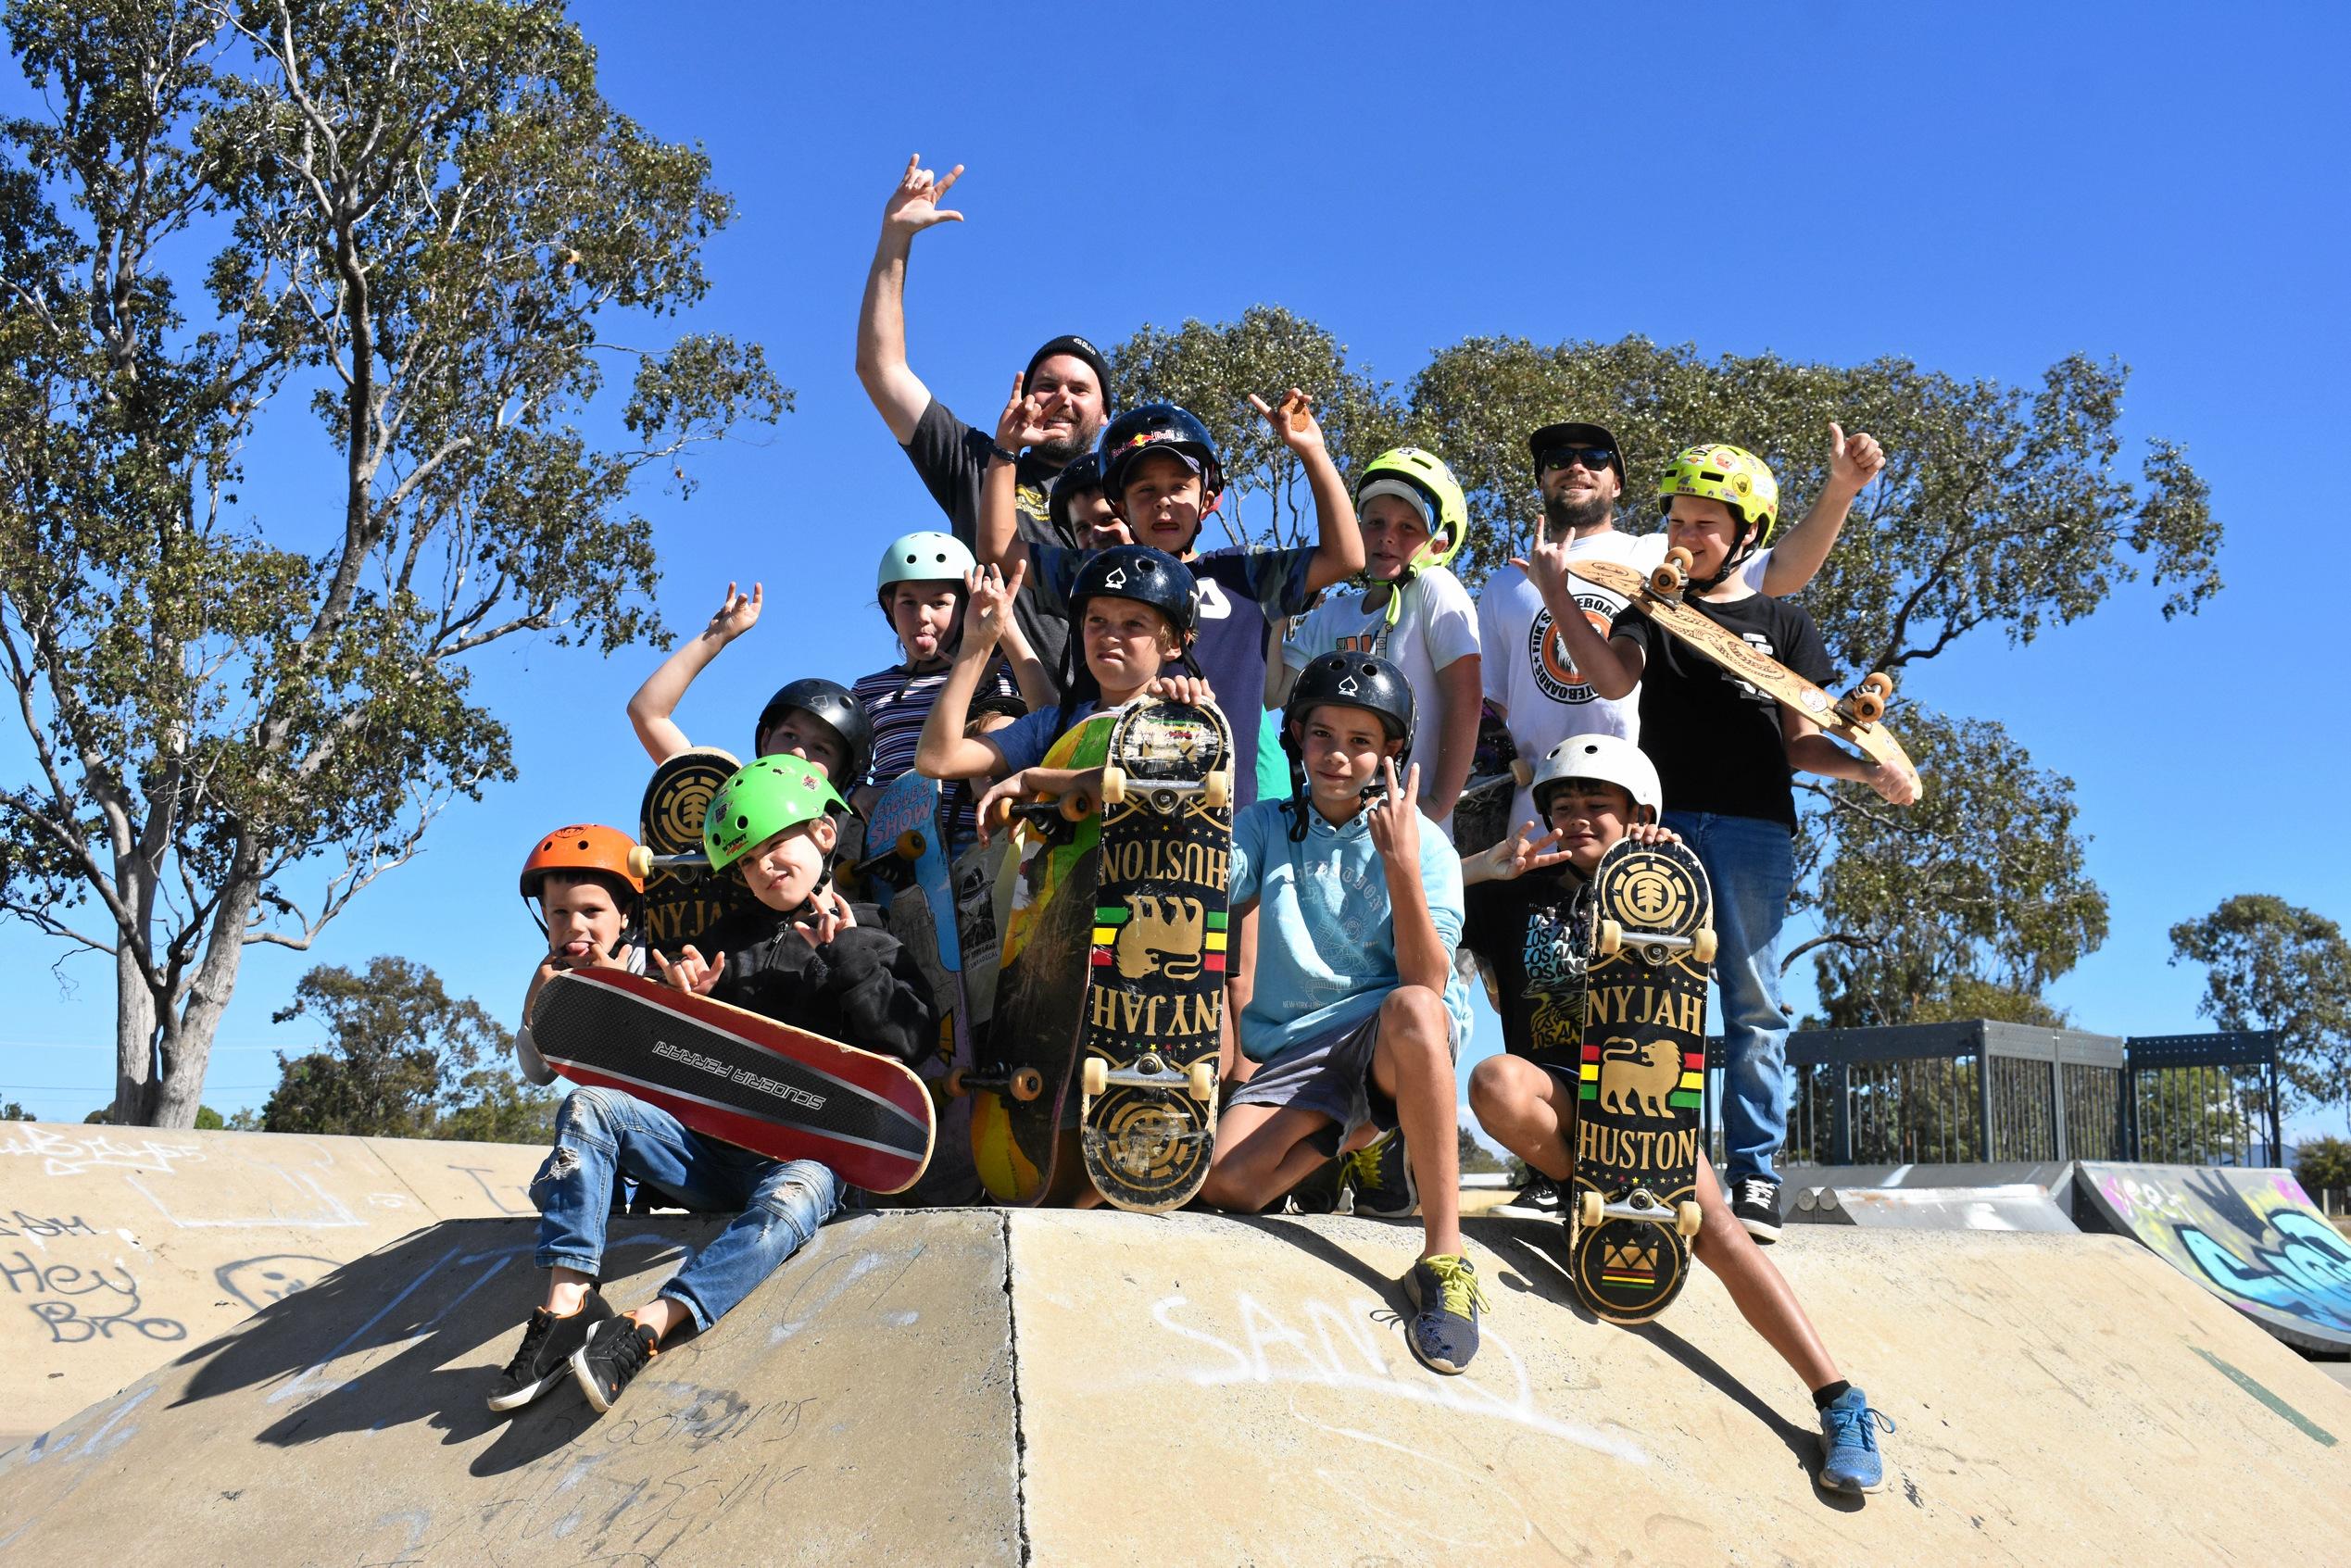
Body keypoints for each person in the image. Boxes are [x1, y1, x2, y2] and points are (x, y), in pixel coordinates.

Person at [1459, 733, 1896, 1494]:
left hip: (1647, 1107)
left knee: (1719, 1231)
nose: (1578, 817)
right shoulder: (1511, 892)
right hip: (1560, 1098)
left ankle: (1839, 1399)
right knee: (1495, 1082)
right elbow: (1420, 940)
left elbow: (1712, 959)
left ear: (1639, 815)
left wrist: (1668, 861)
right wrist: (1477, 869)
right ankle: (1588, 1188)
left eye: (1599, 805)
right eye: (1563, 805)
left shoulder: (1672, 889)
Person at [1528, 442, 1919, 1240]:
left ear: (1746, 533)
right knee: (1643, 993)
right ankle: (1639, 1156)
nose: (1685, 535)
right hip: (1660, 826)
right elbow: (1609, 679)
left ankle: (1754, 1177)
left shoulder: (1784, 623)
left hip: (1752, 829)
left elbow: (1800, 745)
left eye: (1704, 523)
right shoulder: (1654, 607)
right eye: (1675, 520)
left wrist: (1867, 772)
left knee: (1752, 1000)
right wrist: (1555, 591)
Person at [489, 766, 933, 1417]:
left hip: (806, 1162)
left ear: (824, 832)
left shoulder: (874, 931)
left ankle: (650, 1324)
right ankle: (567, 1306)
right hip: (707, 1154)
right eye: (749, 861)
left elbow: (912, 1040)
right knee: (588, 1106)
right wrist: (685, 1007)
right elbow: (678, 1064)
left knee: (801, 1186)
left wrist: (851, 962)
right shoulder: (722, 945)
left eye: (777, 846)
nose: (765, 867)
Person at [1200, 653, 1484, 1376]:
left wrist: (1400, 865)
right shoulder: (1266, 824)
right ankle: (1354, 1131)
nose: (1338, 755)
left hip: (1392, 1035)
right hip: (1298, 1048)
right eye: (1322, 734)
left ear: (1390, 751)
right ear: (1296, 738)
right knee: (1227, 1185)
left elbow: (1426, 980)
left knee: (1417, 1008)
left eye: (1361, 741)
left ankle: (1445, 1258)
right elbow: (1202, 888)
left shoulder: (1430, 846)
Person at [1476, 420, 1882, 832]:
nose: (1576, 467)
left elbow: (1783, 570)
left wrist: (1841, 488)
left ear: (1617, 483)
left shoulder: (1663, 554)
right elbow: (1497, 707)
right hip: (1540, 809)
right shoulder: (1504, 584)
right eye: (1559, 459)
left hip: (1641, 812)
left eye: (1595, 459)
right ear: (1541, 480)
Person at [854, 154, 1109, 696]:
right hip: (994, 725)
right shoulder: (977, 461)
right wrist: (894, 239)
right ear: (1021, 392)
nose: (1061, 397)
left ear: (1105, 415)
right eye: (1047, 384)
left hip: (1100, 723)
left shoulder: (1128, 495)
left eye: (1080, 388)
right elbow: (881, 370)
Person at [1276, 445, 1480, 840]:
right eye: (1374, 522)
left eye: (1409, 528)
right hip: (1335, 828)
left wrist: (1439, 804)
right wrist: (1275, 605)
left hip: (1410, 827)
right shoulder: (1332, 614)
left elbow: (1467, 700)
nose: (1387, 537)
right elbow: (1274, 693)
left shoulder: (1434, 589)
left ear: (1439, 542)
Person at [914, 546, 1208, 818]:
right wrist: (977, 644)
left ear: (1175, 643)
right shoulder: (1049, 727)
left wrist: (1035, 778)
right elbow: (936, 759)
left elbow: (1152, 784)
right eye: (1097, 621)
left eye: (1134, 624)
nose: (1108, 635)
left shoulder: (1180, 713)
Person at [850, 530, 1047, 849]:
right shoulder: (869, 689)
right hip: (894, 849)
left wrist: (1001, 626)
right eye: (908, 603)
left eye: (939, 603)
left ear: (967, 606)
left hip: (978, 841)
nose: (922, 617)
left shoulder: (996, 674)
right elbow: (849, 769)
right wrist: (858, 792)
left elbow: (1046, 723)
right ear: (888, 606)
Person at [623, 581, 874, 788]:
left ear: (843, 773)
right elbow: (647, 713)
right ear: (765, 740)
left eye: (821, 748)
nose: (798, 753)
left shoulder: (859, 832)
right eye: (789, 735)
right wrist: (716, 638)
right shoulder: (725, 796)